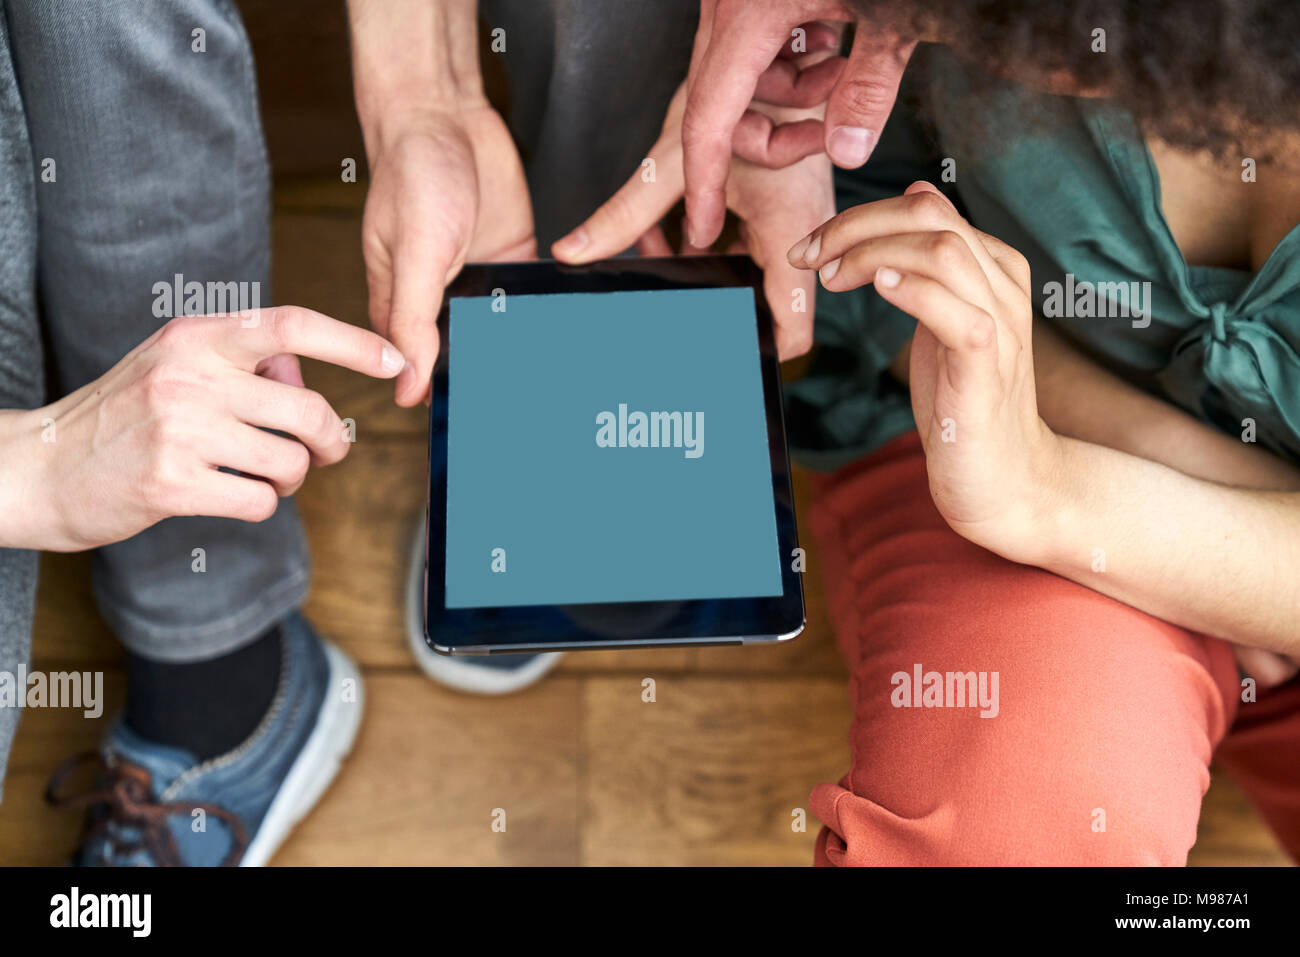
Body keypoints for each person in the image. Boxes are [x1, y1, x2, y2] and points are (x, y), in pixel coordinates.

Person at [775, 1, 1300, 863]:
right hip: (975, 427)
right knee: (1012, 824)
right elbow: (859, 215)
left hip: (1038, 465)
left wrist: (1055, 490)